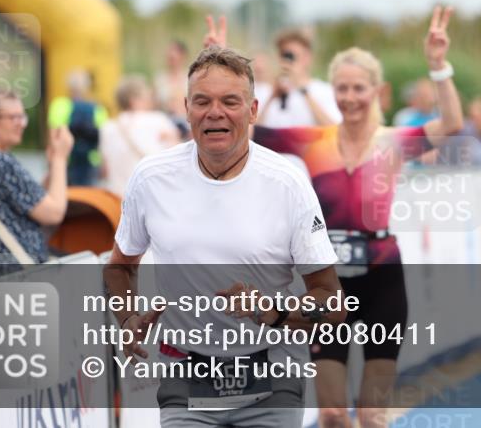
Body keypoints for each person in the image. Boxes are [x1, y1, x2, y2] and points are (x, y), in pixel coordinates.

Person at [207, 6, 464, 428]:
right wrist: (220, 71)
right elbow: (243, 131)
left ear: (377, 92)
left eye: (358, 88)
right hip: (327, 287)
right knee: (330, 413)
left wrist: (438, 66)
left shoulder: (394, 142)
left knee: (371, 414)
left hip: (383, 279)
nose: (348, 97)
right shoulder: (314, 141)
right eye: (342, 88)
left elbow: (452, 123)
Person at [104, 45, 345, 428]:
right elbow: (120, 266)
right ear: (186, 108)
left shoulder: (287, 182)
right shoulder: (151, 178)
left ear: (252, 111)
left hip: (272, 373)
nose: (215, 112)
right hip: (186, 372)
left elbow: (332, 301)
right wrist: (128, 315)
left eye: (230, 101)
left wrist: (274, 312)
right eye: (203, 101)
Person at [0, 89, 73, 264]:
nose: (21, 124)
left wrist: (53, 162)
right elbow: (53, 213)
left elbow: (33, 199)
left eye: (22, 117)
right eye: (13, 118)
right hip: (17, 276)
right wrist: (61, 157)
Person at [99, 75, 180, 195]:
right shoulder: (158, 120)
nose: (152, 100)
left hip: (117, 198)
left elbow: (105, 171)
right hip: (150, 197)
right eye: (147, 96)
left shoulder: (108, 127)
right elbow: (178, 158)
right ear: (134, 101)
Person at [250, 24, 341, 128]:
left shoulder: (324, 91)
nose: (288, 62)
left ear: (308, 58)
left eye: (292, 56)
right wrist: (271, 98)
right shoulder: (266, 92)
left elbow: (334, 130)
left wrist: (304, 91)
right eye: (284, 56)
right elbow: (251, 133)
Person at [48, 69, 107, 186]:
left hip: (66, 160)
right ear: (87, 87)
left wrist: (51, 162)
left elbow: (53, 137)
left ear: (68, 86)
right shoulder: (98, 109)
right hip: (91, 162)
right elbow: (103, 140)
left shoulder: (58, 105)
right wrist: (104, 164)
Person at [155, 39, 191, 138]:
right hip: (166, 123)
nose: (171, 60)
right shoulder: (160, 79)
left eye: (173, 58)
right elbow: (155, 103)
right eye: (169, 57)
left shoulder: (190, 78)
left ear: (183, 57)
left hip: (186, 124)